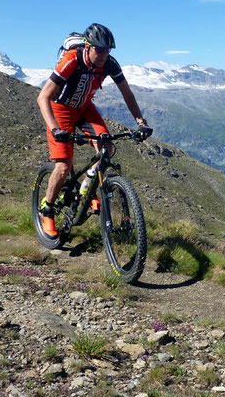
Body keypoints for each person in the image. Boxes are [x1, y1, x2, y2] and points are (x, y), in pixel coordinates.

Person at [36, 22, 152, 237]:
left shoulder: (110, 64)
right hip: (60, 110)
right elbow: (43, 97)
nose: (103, 54)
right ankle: (48, 210)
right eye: (99, 49)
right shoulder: (71, 60)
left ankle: (86, 191)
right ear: (88, 46)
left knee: (106, 147)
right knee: (63, 166)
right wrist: (54, 129)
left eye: (108, 50)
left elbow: (128, 95)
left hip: (85, 108)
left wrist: (140, 122)